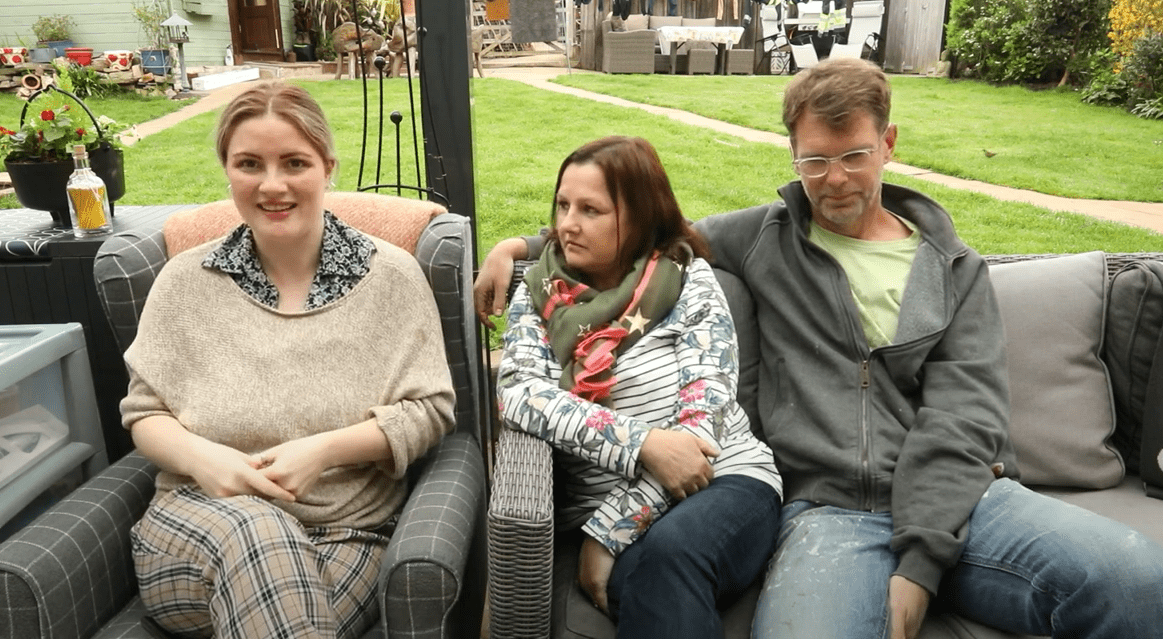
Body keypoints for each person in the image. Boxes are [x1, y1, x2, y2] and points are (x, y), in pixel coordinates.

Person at [476, 59, 1163, 639]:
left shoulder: (954, 270)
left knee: (1136, 580)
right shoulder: (765, 237)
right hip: (828, 513)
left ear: (887, 143)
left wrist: (918, 563)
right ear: (792, 154)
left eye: (852, 156)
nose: (832, 179)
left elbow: (963, 420)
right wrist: (523, 248)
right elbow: (651, 233)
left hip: (969, 501)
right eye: (813, 160)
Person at [122, 81, 455, 639]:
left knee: (279, 599)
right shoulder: (183, 282)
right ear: (227, 170)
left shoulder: (393, 278)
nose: (271, 185)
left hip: (345, 537)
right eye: (249, 163)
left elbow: (430, 411)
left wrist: (324, 451)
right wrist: (206, 461)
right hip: (194, 526)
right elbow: (145, 413)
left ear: (327, 168)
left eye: (294, 163)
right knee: (256, 531)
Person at [496, 136, 783, 637]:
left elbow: (701, 437)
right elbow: (521, 394)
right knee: (657, 581)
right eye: (562, 205)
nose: (566, 224)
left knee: (671, 555)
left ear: (639, 214)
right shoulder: (539, 295)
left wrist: (608, 532)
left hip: (729, 482)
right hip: (613, 509)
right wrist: (643, 443)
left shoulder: (687, 280)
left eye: (591, 209)